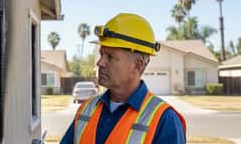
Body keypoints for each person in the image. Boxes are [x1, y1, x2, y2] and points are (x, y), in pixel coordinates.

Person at [60, 13, 186, 144]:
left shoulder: (164, 120)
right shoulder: (87, 109)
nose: (100, 63)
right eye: (101, 54)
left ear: (138, 65)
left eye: (110, 57)